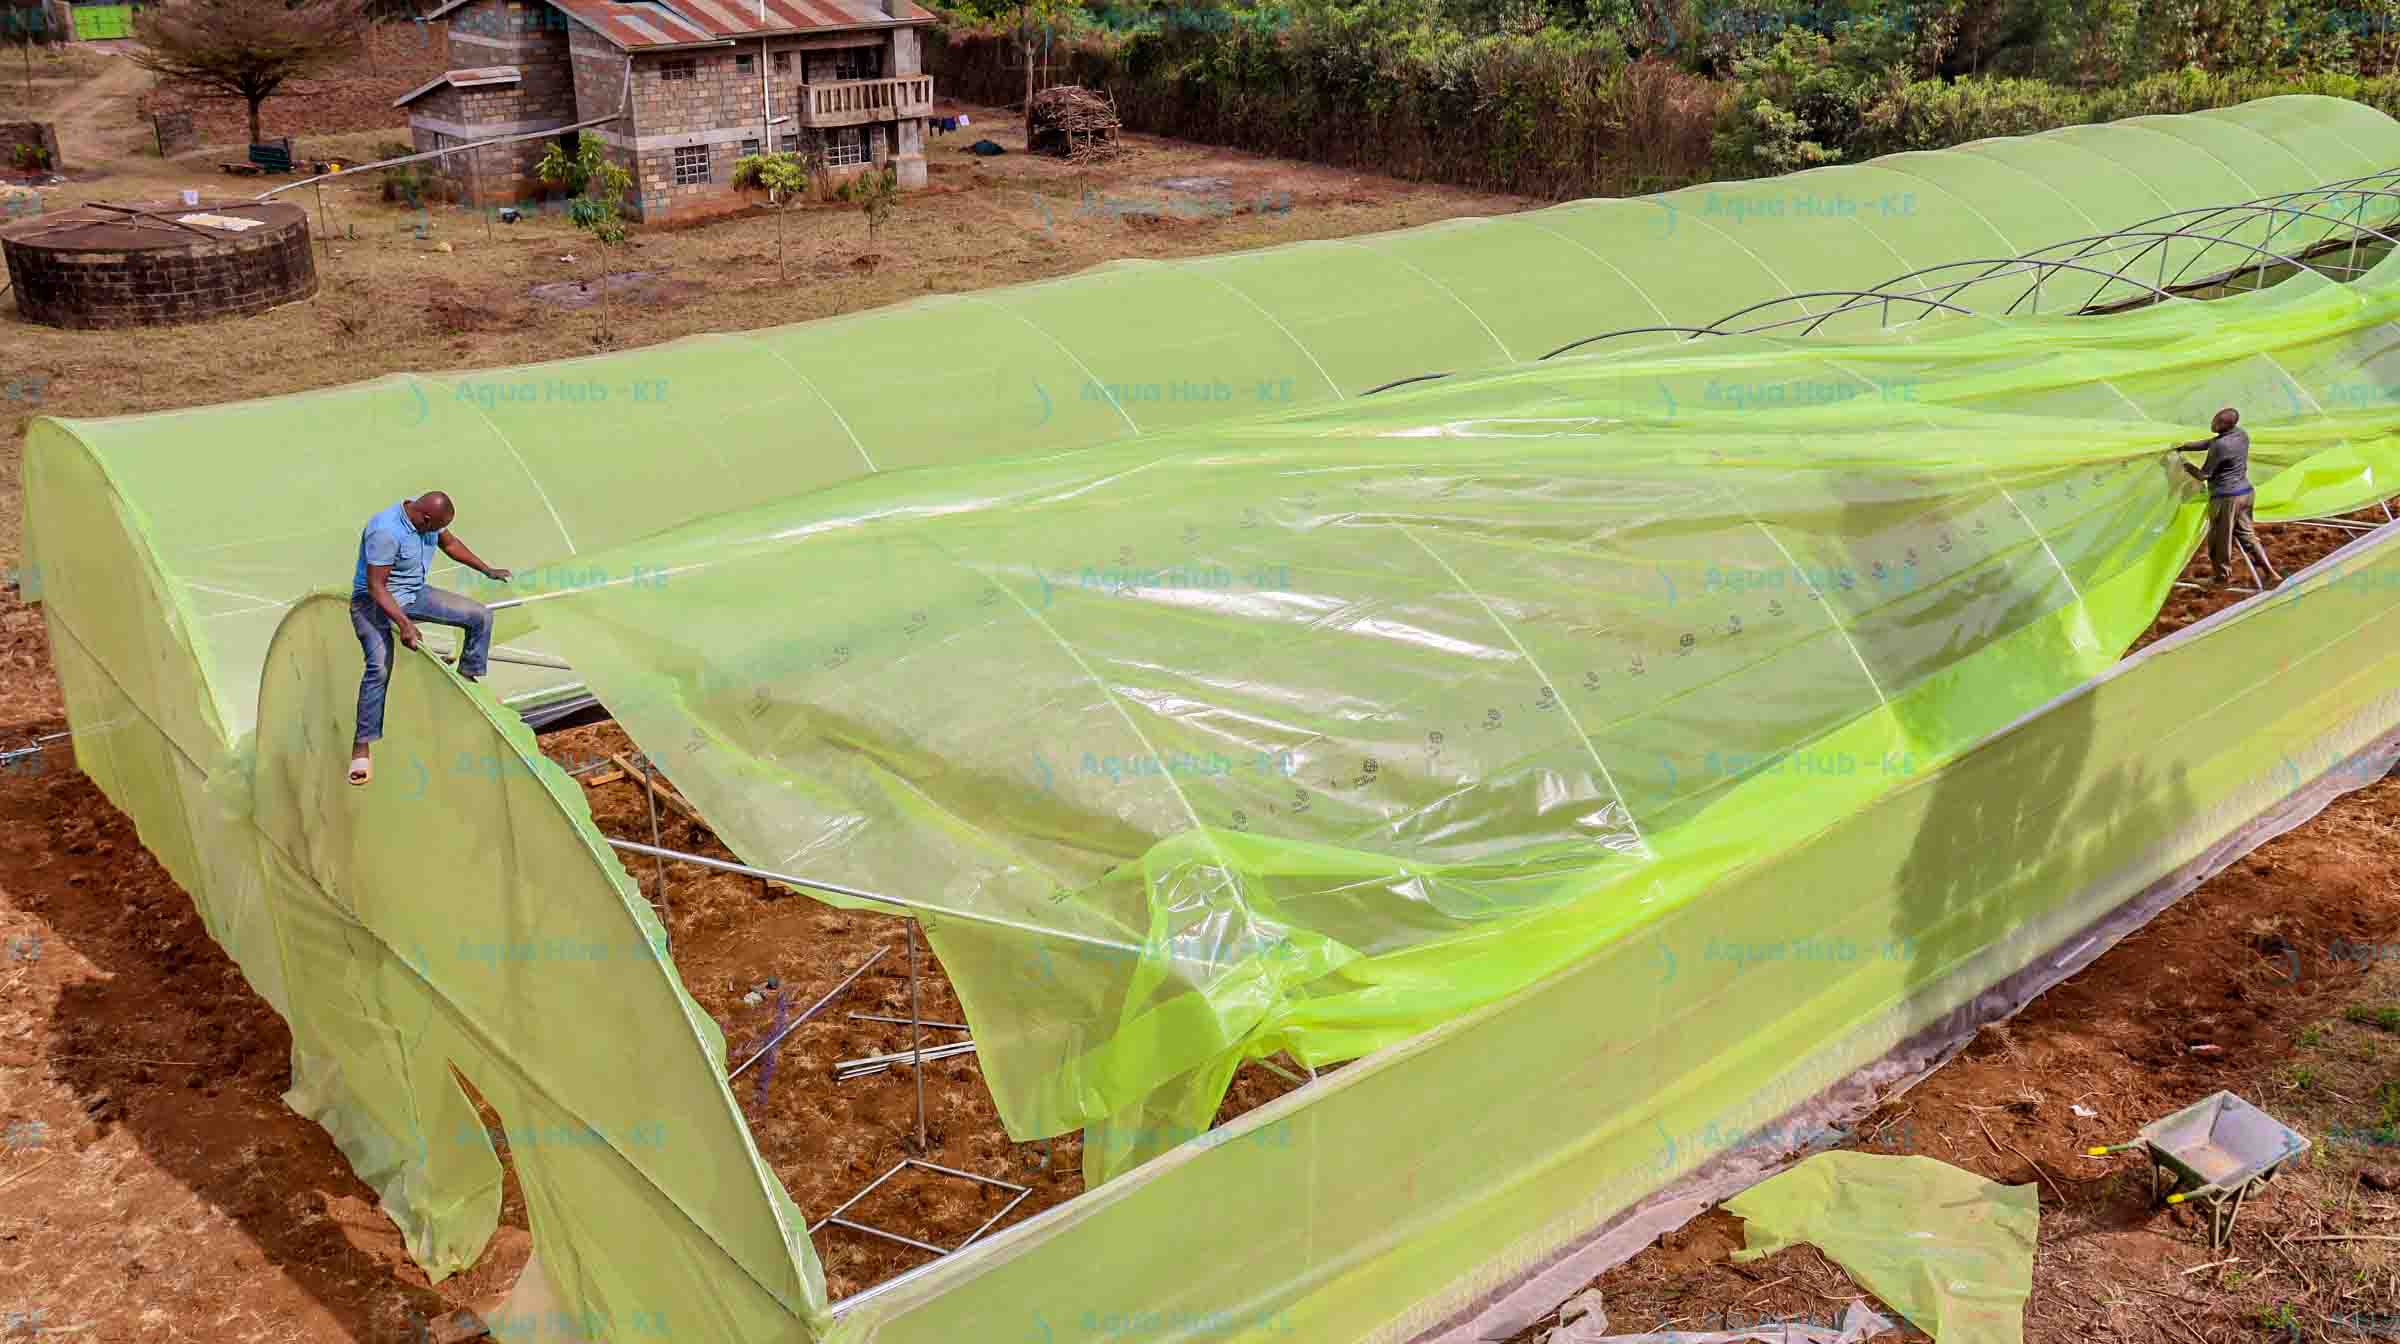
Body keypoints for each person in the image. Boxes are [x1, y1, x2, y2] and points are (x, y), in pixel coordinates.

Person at [350, 492, 511, 785]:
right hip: (373, 603)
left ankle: (466, 679)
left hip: (413, 594)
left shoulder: (428, 519)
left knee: (480, 616)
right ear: (425, 518)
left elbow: (450, 544)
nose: (439, 532)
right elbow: (376, 586)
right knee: (379, 669)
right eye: (436, 527)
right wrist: (405, 624)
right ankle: (362, 744)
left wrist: (487, 570)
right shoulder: (385, 531)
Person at [2173, 406, 2280, 589]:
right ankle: (2272, 574)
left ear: (2227, 424)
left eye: (2218, 422)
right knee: (2248, 536)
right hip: (2245, 493)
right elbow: (2210, 442)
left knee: (2219, 539)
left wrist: (2184, 464)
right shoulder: (2241, 435)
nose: (2213, 423)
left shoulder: (2220, 446)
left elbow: (2203, 475)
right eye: (2215, 419)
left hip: (2226, 498)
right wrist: (2183, 446)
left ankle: (2221, 578)